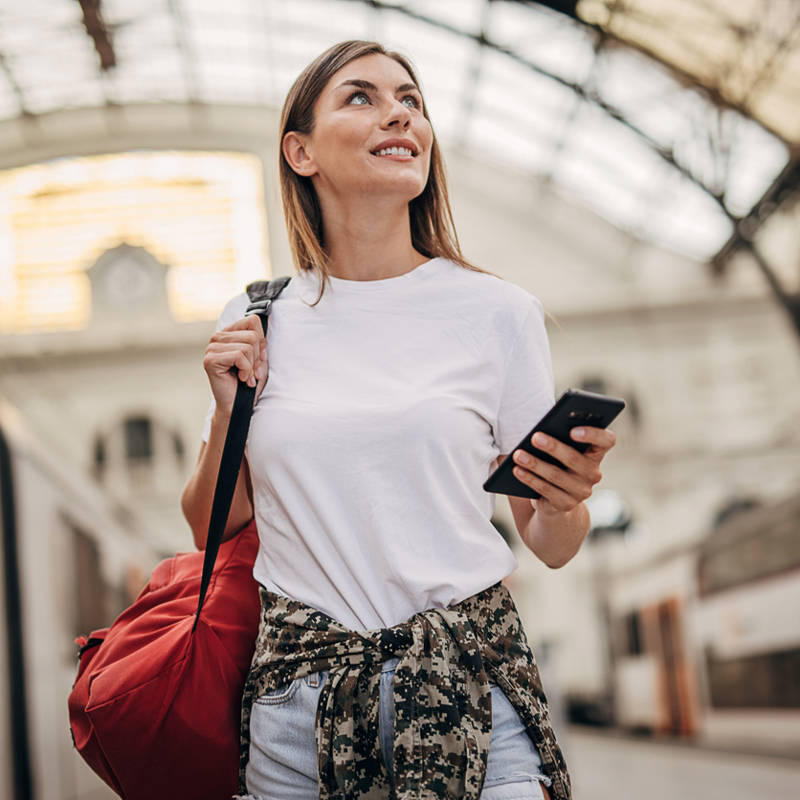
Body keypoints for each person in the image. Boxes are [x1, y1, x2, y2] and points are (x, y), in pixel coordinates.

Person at [181, 39, 616, 800]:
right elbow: (209, 524)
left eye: (411, 100)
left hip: (468, 684)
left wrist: (564, 499)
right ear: (301, 151)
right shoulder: (260, 316)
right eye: (363, 97)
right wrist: (228, 415)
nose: (399, 114)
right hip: (297, 708)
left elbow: (550, 544)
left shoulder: (498, 313)